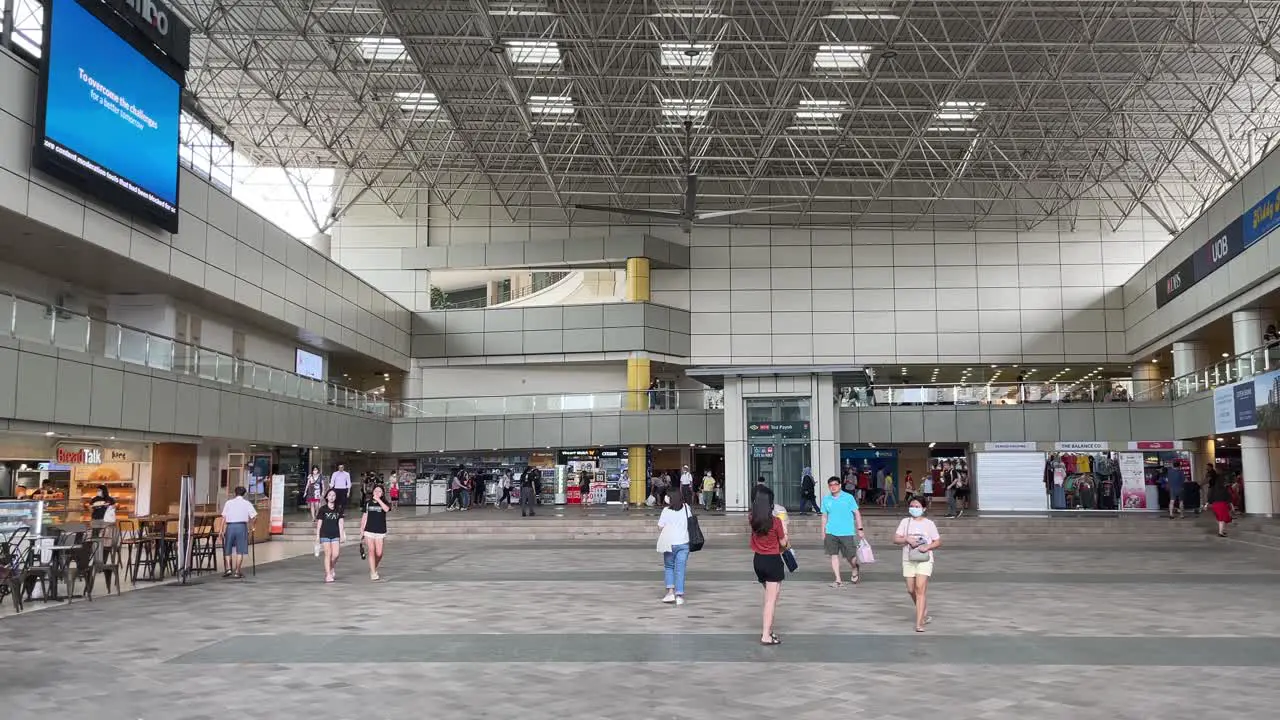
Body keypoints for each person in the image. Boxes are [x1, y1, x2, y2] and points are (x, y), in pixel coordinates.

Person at [895, 497, 942, 633]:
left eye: (917, 506)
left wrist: (927, 547)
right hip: (908, 558)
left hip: (925, 559)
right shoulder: (905, 522)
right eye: (912, 506)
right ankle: (923, 609)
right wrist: (906, 539)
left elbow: (938, 541)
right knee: (911, 589)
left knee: (920, 589)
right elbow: (896, 539)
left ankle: (919, 622)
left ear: (923, 508)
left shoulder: (929, 524)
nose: (914, 508)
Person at [749, 486, 787, 646]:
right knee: (770, 600)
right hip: (773, 561)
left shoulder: (752, 519)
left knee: (774, 595)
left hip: (758, 561)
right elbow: (783, 543)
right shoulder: (776, 521)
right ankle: (766, 634)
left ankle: (769, 629)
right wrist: (784, 527)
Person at [821, 476, 864, 588]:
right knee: (833, 555)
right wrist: (823, 531)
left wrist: (860, 529)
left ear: (840, 485)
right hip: (831, 532)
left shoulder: (848, 498)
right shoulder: (826, 499)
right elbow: (824, 516)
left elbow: (857, 513)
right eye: (831, 485)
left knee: (851, 557)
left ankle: (854, 567)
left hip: (847, 532)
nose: (833, 487)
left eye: (835, 484)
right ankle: (838, 580)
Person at [656, 491, 691, 606]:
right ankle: (679, 596)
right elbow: (690, 521)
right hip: (684, 543)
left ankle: (670, 592)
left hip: (669, 543)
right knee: (680, 570)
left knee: (669, 567)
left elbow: (660, 526)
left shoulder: (666, 511)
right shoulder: (686, 508)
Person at [220, 486, 258, 579]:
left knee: (227, 548)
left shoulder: (228, 503)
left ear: (234, 493)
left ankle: (228, 568)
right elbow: (254, 517)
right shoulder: (247, 503)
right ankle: (237, 571)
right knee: (240, 550)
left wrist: (221, 530)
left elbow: (223, 517)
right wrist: (252, 526)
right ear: (244, 494)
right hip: (241, 526)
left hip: (230, 526)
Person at [361, 484, 390, 581]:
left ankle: (374, 566)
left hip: (380, 531)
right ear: (373, 492)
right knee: (371, 551)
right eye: (376, 491)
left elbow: (386, 509)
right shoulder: (368, 503)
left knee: (379, 553)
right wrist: (362, 530)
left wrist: (379, 500)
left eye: (380, 491)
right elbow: (364, 516)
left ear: (382, 493)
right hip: (369, 530)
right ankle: (373, 572)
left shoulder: (384, 502)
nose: (377, 493)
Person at [316, 488, 346, 582]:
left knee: (336, 554)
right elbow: (319, 523)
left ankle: (331, 567)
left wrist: (342, 534)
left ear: (336, 497)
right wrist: (318, 535)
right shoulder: (323, 509)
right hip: (325, 533)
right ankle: (328, 574)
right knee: (328, 554)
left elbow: (341, 522)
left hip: (335, 533)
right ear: (327, 497)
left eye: (333, 495)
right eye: (330, 495)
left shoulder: (339, 509)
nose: (331, 497)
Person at [1207, 465, 1232, 537]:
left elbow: (1210, 496)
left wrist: (1207, 504)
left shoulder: (1213, 488)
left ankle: (1222, 531)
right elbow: (1228, 497)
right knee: (1222, 519)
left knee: (1221, 518)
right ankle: (1221, 532)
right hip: (1222, 504)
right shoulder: (1224, 489)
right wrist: (1231, 505)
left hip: (1215, 505)